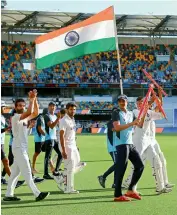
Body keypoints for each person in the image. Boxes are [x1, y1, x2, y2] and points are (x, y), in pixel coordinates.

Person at [3, 90, 49, 201]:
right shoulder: (15, 117)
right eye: (19, 106)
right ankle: (37, 194)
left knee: (14, 174)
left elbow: (35, 113)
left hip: (20, 148)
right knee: (28, 172)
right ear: (15, 107)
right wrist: (31, 100)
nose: (22, 107)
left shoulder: (23, 117)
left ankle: (8, 195)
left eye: (23, 105)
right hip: (19, 149)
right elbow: (29, 113)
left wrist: (35, 98)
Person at [123, 94, 172, 194]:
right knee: (136, 165)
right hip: (138, 140)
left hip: (148, 140)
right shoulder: (135, 112)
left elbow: (161, 114)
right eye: (138, 103)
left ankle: (160, 187)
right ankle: (131, 186)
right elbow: (141, 118)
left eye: (142, 102)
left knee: (157, 161)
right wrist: (149, 102)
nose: (140, 104)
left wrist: (158, 99)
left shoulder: (149, 112)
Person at [112, 95, 144, 202]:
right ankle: (117, 195)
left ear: (127, 102)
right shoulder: (116, 112)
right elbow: (117, 128)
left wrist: (144, 111)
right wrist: (132, 123)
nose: (122, 103)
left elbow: (140, 125)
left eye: (123, 101)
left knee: (140, 166)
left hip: (130, 144)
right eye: (120, 101)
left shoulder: (130, 113)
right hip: (121, 144)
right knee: (122, 169)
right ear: (118, 102)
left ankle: (130, 190)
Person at [1, 108, 44, 185]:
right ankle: (4, 177)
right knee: (10, 162)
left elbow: (25, 133)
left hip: (19, 145)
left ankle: (5, 178)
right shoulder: (15, 121)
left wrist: (29, 126)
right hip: (15, 144)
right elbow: (18, 133)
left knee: (12, 162)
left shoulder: (19, 121)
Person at [59, 102, 86, 194]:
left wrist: (76, 146)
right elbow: (61, 136)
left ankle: (62, 179)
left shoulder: (72, 119)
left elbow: (73, 134)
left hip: (73, 145)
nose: (73, 111)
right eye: (71, 109)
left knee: (79, 164)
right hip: (67, 146)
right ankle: (69, 189)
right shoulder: (64, 120)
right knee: (70, 167)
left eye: (74, 109)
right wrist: (63, 149)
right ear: (67, 110)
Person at [98, 108, 118, 189]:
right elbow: (115, 129)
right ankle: (103, 176)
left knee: (118, 165)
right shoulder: (110, 122)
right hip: (113, 147)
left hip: (118, 146)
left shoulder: (117, 122)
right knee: (117, 164)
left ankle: (115, 183)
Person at [43, 102, 62, 179]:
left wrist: (59, 119)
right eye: (51, 106)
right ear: (48, 107)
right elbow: (51, 126)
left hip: (54, 138)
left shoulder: (54, 116)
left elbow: (58, 126)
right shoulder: (47, 116)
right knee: (47, 156)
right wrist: (58, 118)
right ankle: (45, 174)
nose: (52, 107)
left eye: (54, 106)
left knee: (60, 154)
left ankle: (56, 171)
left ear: (55, 107)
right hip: (49, 138)